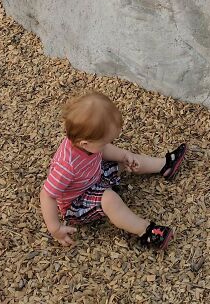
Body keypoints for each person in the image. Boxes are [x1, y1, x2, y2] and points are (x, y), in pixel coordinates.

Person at [40, 91, 187, 250]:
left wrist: (124, 155)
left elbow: (103, 151)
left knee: (127, 160)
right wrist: (55, 228)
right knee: (110, 199)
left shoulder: (87, 143)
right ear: (85, 144)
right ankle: (145, 231)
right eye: (104, 142)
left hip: (92, 175)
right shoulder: (66, 167)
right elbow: (47, 195)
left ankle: (164, 165)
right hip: (77, 202)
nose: (107, 144)